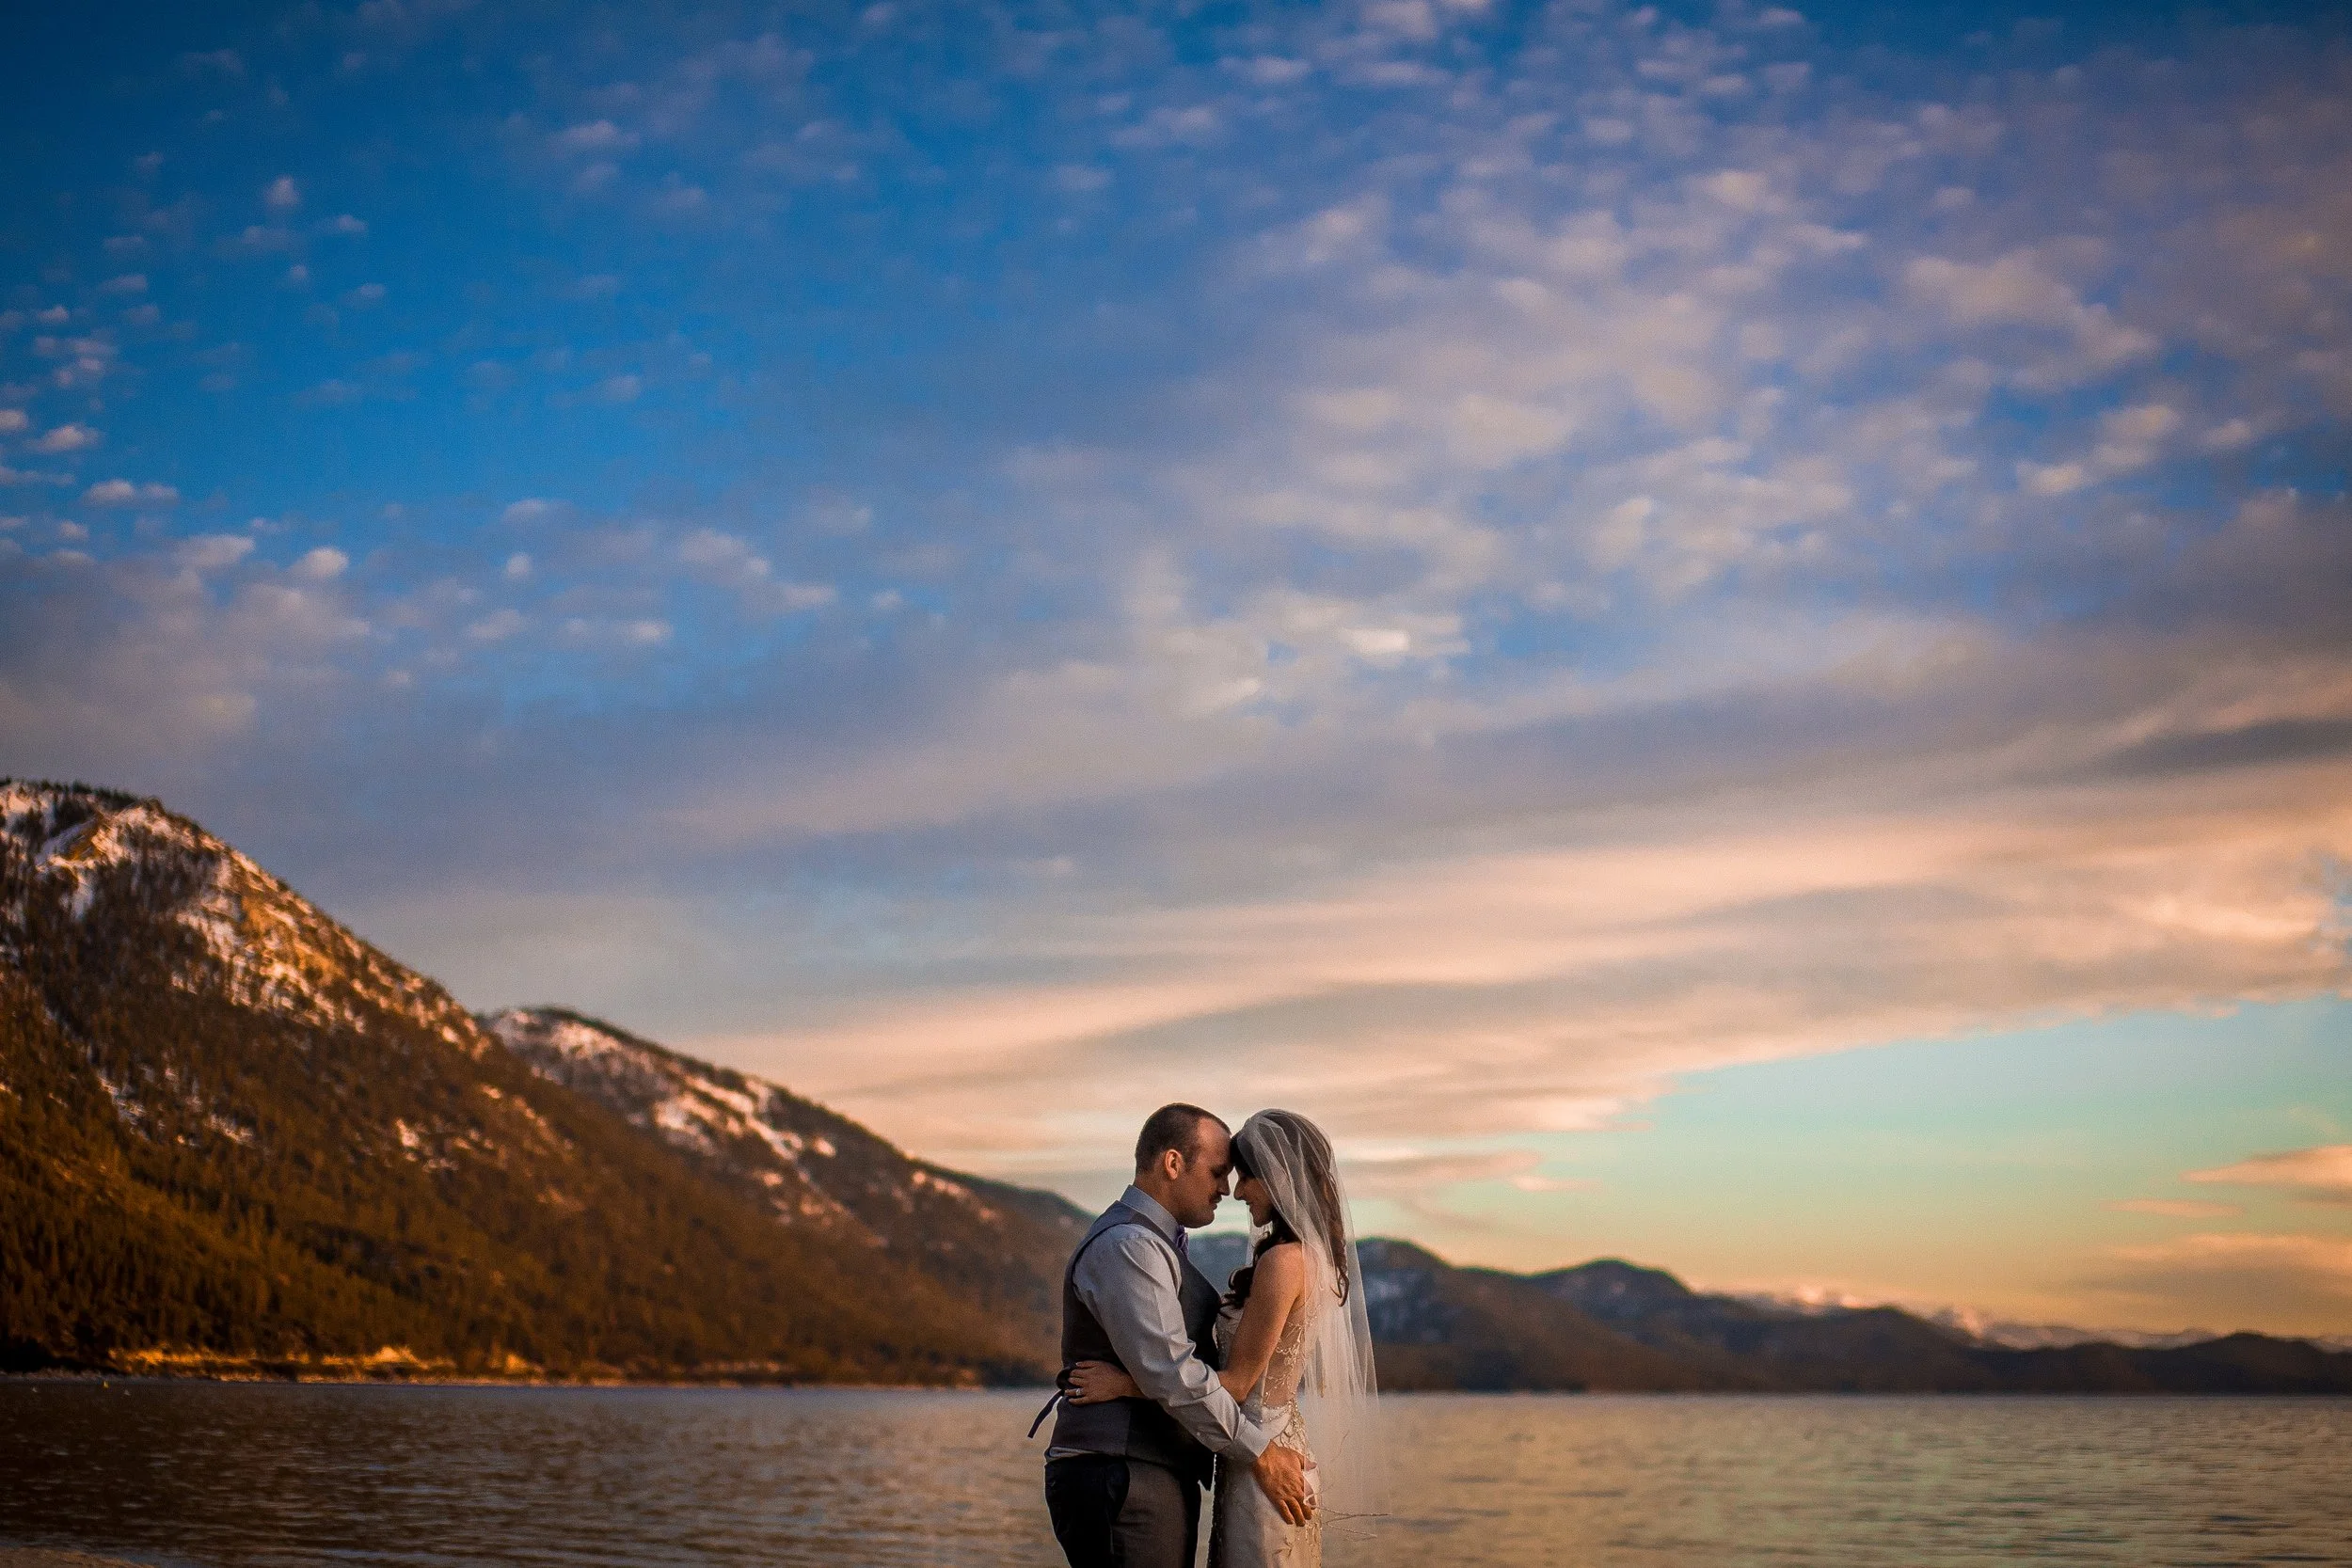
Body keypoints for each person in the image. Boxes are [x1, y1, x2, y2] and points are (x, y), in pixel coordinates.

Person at [1070, 1108, 1385, 1567]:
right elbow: (1187, 1372)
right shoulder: (1310, 1260)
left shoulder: (1283, 1262)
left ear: (1278, 1179)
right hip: (1263, 1446)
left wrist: (1125, 1384)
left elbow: (1233, 1383)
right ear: (1173, 1164)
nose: (1233, 1191)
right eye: (1221, 1173)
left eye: (1242, 1176)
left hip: (1264, 1453)